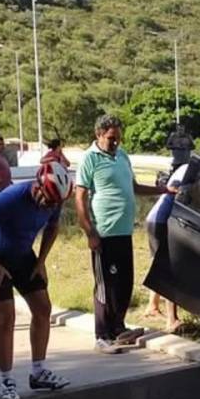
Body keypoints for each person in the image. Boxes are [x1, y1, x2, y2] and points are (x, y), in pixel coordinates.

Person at [0, 161, 73, 399]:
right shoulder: (11, 197)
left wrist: (41, 261)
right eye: (47, 200)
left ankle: (38, 372)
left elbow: (53, 227)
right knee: (7, 317)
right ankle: (6, 380)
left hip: (24, 255)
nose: (50, 206)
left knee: (43, 308)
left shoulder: (55, 198)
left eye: (55, 203)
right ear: (38, 187)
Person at [75, 115, 174, 354]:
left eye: (118, 139)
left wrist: (164, 190)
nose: (116, 143)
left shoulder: (122, 155)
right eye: (111, 139)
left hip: (124, 230)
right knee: (105, 285)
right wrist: (89, 231)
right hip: (104, 232)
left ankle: (118, 328)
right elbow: (80, 198)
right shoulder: (90, 159)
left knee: (123, 283)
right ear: (98, 135)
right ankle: (102, 335)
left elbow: (134, 187)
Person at [144, 163, 190, 332]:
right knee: (169, 267)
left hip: (154, 218)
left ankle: (152, 306)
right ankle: (172, 319)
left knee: (158, 263)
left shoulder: (183, 168)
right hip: (162, 221)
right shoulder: (189, 172)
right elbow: (182, 195)